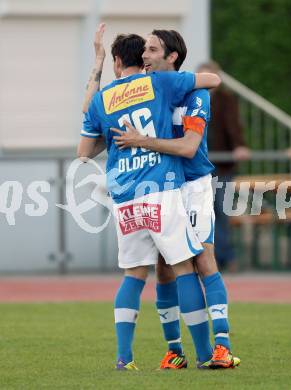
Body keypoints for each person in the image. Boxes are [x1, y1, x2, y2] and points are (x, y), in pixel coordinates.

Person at [78, 32, 222, 370]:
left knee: (133, 275)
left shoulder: (101, 100)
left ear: (115, 62)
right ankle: (203, 354)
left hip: (125, 198)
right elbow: (210, 79)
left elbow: (84, 153)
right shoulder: (156, 82)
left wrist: (96, 67)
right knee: (184, 267)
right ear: (138, 58)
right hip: (160, 187)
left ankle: (124, 358)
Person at [111, 31, 240, 369]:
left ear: (172, 58)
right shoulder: (148, 89)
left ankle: (222, 345)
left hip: (193, 185)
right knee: (164, 269)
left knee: (203, 259)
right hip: (161, 187)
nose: (145, 56)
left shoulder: (195, 94)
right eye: (143, 51)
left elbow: (188, 148)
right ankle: (174, 350)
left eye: (152, 50)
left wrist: (141, 141)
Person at [197, 61, 250, 272]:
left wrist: (239, 146)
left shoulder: (226, 100)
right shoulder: (188, 99)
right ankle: (199, 259)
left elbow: (233, 125)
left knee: (220, 211)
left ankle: (225, 257)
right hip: (195, 167)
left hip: (221, 166)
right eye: (203, 76)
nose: (208, 81)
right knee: (198, 213)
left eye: (211, 76)